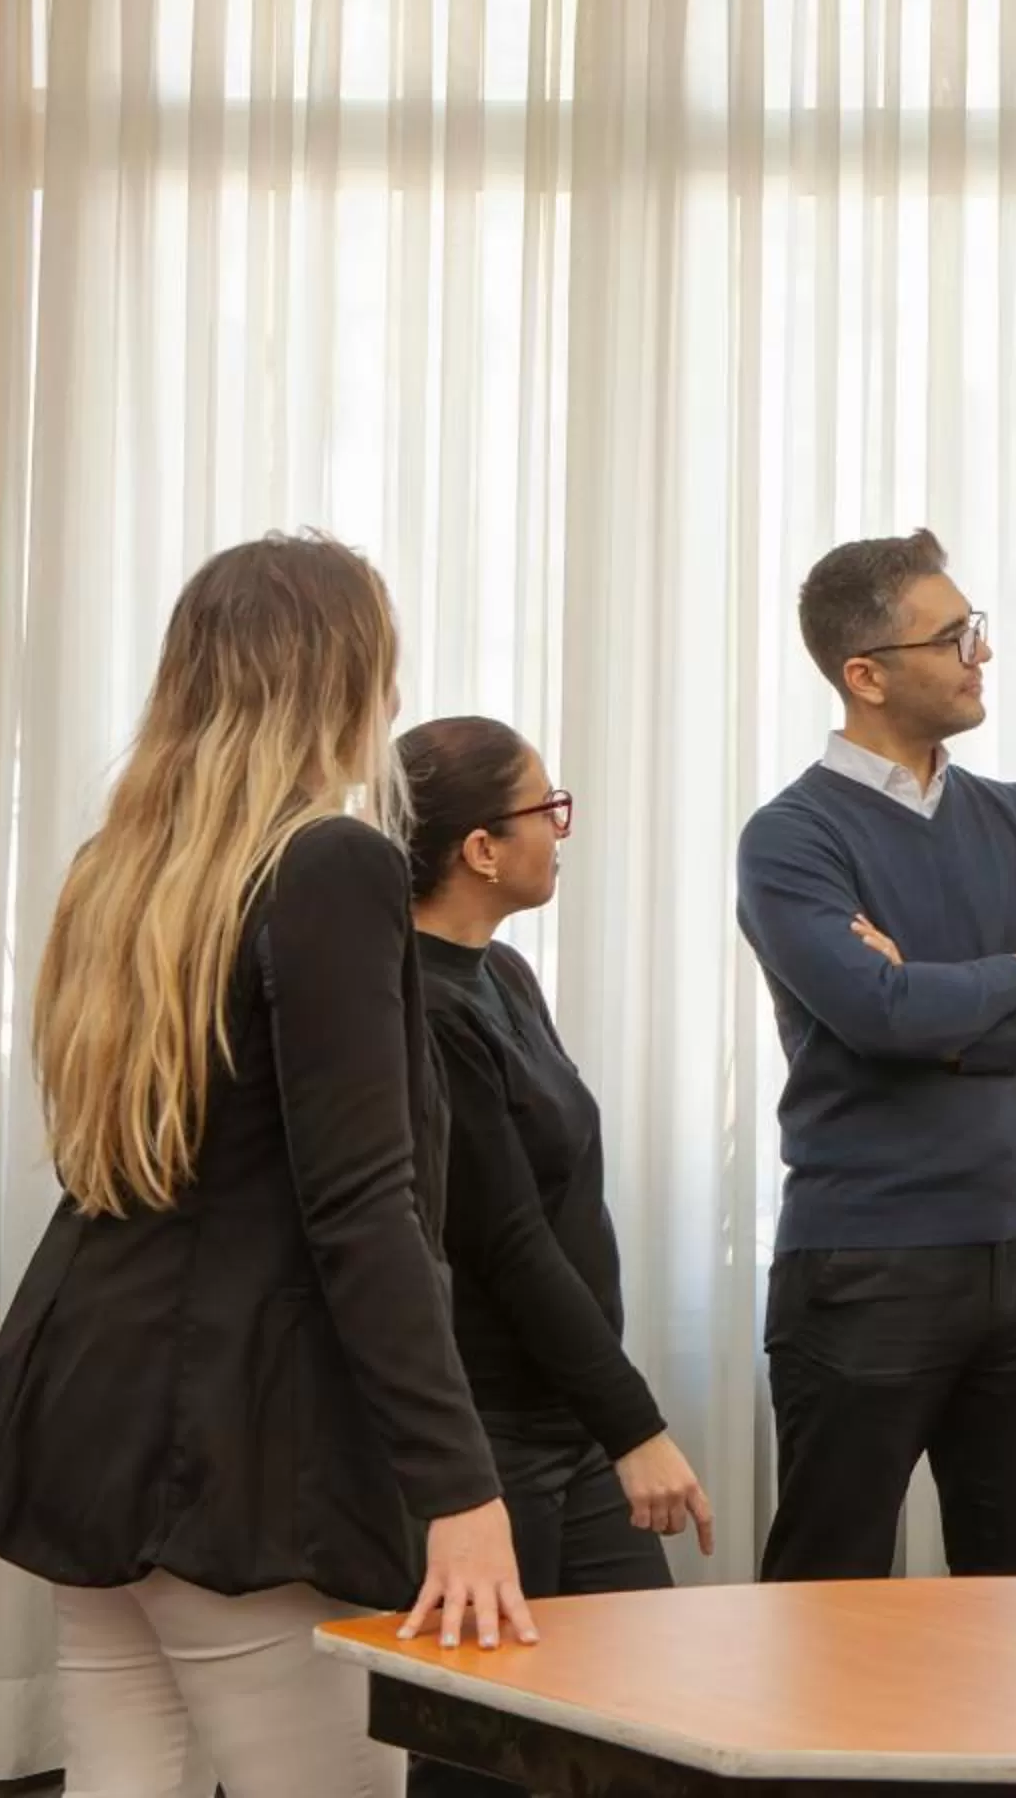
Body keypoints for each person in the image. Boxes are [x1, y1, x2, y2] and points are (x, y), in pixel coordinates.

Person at [0, 533, 532, 1798]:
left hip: (89, 1399)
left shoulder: (126, 868)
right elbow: (362, 1202)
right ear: (347, 676)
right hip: (240, 1432)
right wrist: (460, 1484)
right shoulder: (333, 861)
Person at [736, 528, 1016, 1582]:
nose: (981, 654)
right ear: (864, 675)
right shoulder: (791, 837)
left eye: (977, 629)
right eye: (953, 635)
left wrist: (929, 1009)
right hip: (865, 1263)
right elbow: (874, 1011)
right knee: (829, 1597)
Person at [395, 718, 715, 1797]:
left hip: (565, 1422)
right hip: (493, 1438)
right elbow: (511, 1242)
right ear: (482, 847)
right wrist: (639, 1426)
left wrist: (607, 1420)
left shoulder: (505, 975)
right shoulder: (429, 1009)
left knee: (652, 1717)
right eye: (547, 809)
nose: (561, 832)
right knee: (485, 1753)